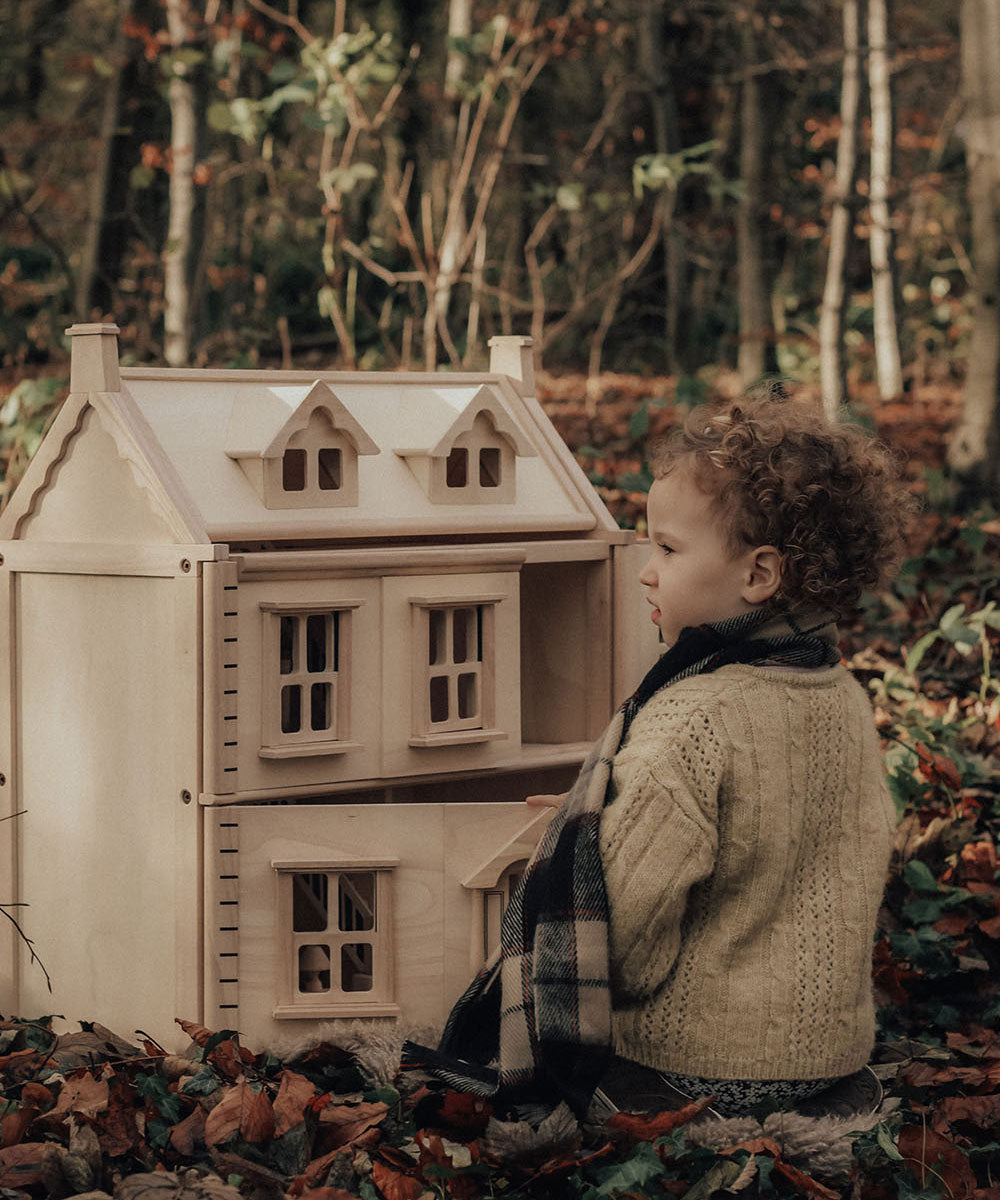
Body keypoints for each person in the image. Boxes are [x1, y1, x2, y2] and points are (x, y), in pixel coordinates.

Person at [404, 391, 910, 1122]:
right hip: (827, 1058)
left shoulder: (691, 718)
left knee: (481, 1091)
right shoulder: (839, 694)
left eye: (668, 549)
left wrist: (582, 848)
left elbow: (624, 944)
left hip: (694, 1065)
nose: (646, 570)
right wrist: (609, 819)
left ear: (759, 575)